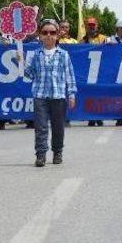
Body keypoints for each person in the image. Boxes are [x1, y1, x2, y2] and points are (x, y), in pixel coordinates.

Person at [17, 20, 77, 167]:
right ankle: (41, 154)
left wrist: (72, 94)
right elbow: (29, 75)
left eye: (52, 33)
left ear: (57, 35)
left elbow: (70, 75)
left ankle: (57, 152)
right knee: (41, 127)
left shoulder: (63, 55)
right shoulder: (35, 54)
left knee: (58, 126)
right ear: (40, 35)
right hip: (40, 95)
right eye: (45, 33)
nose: (48, 36)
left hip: (58, 96)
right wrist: (21, 62)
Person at [81, 17, 105, 127]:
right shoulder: (82, 41)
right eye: (89, 25)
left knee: (99, 95)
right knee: (89, 95)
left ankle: (99, 117)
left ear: (97, 26)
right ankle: (91, 117)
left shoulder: (104, 39)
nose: (91, 27)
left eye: (93, 25)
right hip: (87, 73)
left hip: (100, 72)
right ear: (86, 27)